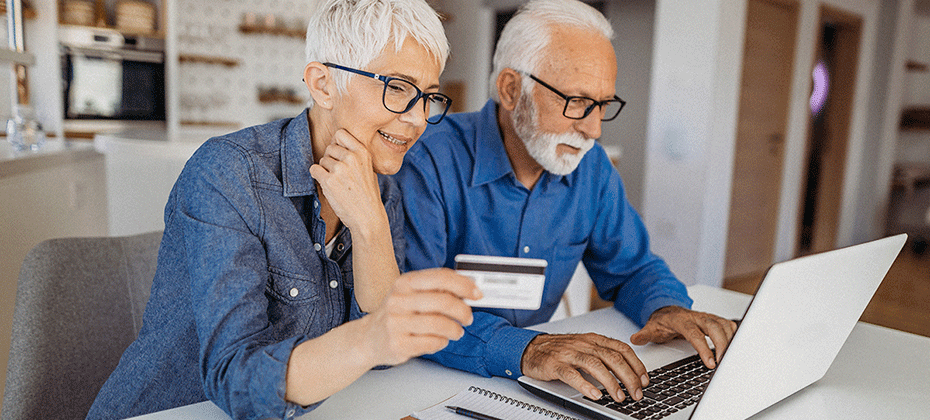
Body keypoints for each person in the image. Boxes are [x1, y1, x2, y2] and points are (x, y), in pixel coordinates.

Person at [86, 1, 480, 419]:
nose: (419, 118)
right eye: (398, 88)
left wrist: (370, 226)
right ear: (323, 85)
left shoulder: (381, 186)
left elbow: (383, 355)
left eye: (428, 97)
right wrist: (369, 338)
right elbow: (236, 381)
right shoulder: (229, 173)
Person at [395, 0, 738, 405]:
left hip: (539, 385)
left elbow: (632, 268)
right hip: (427, 382)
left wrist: (665, 307)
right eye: (576, 102)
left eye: (603, 105)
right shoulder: (426, 161)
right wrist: (526, 349)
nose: (593, 130)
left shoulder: (590, 168)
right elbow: (412, 310)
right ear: (511, 90)